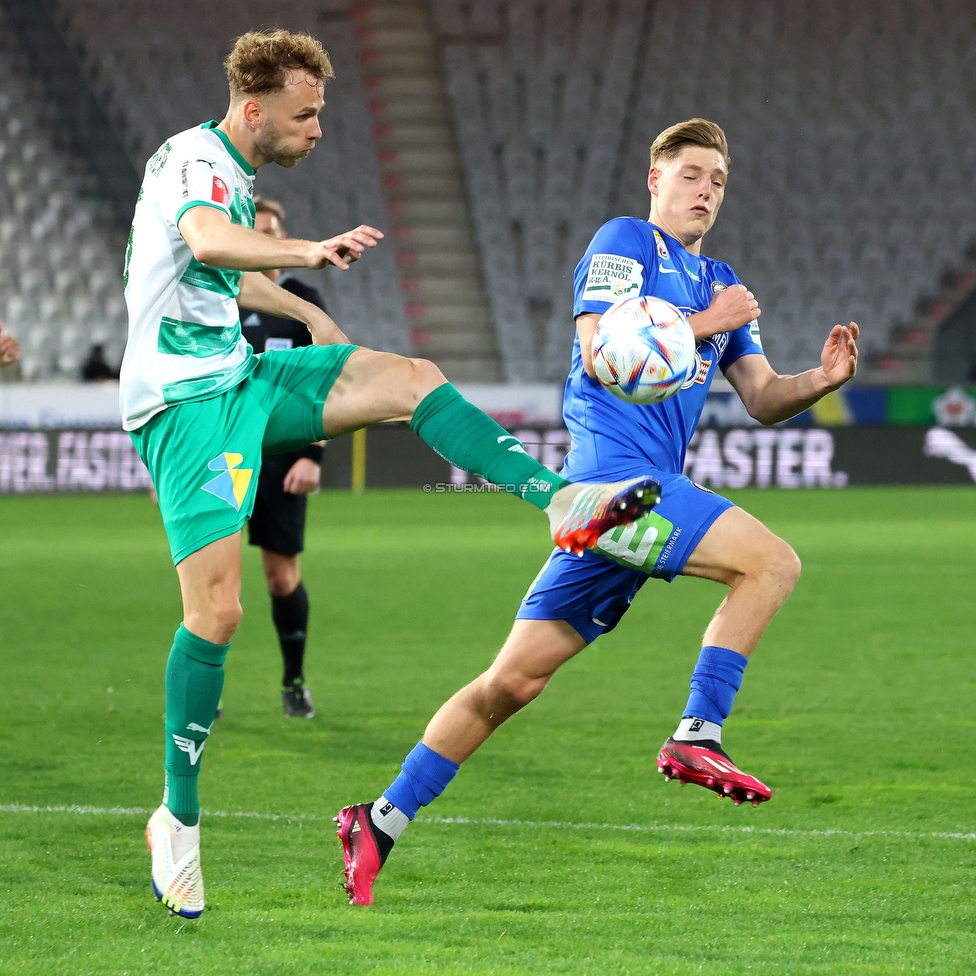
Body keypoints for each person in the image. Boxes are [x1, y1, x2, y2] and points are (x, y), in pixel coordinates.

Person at [127, 28, 658, 920]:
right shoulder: (194, 162)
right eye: (306, 114)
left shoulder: (228, 163)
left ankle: (563, 499)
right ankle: (175, 820)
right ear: (254, 110)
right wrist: (304, 252)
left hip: (238, 377)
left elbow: (212, 276)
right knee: (217, 612)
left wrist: (303, 305)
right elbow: (210, 244)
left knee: (413, 379)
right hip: (182, 405)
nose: (319, 129)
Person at [335, 118, 860, 906]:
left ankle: (377, 821)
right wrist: (709, 320)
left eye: (717, 179)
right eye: (690, 174)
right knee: (771, 562)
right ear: (655, 181)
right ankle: (697, 734)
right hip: (613, 481)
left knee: (510, 685)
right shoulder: (626, 245)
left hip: (629, 506)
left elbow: (760, 398)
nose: (705, 190)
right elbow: (598, 351)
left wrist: (817, 381)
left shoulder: (722, 277)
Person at [238, 195, 326, 718]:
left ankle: (294, 682)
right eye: (256, 232)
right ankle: (206, 691)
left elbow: (324, 379)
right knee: (213, 579)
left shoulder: (303, 300)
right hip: (223, 454)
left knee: (280, 577)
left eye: (273, 232)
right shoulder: (216, 300)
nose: (267, 243)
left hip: (282, 455)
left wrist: (314, 455)